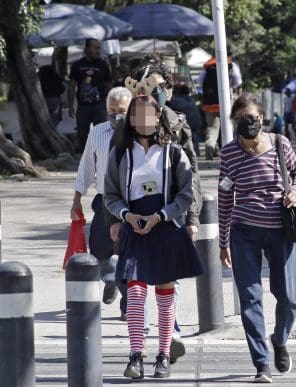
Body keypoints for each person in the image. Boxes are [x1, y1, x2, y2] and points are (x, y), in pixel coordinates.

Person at [109, 55, 202, 364]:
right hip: (134, 221)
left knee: (165, 286)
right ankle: (138, 350)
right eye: (149, 87)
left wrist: (190, 218)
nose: (156, 93)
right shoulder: (120, 137)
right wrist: (119, 217)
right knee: (135, 290)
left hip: (167, 219)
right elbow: (112, 185)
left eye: (160, 87)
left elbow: (191, 180)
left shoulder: (177, 127)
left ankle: (166, 341)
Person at [218, 95, 296, 383]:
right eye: (243, 119)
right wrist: (223, 241)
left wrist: (295, 191)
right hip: (244, 233)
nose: (249, 123)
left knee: (289, 298)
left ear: (262, 118)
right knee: (250, 299)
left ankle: (279, 339)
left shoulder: (280, 143)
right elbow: (224, 198)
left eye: (253, 118)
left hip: (282, 230)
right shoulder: (228, 154)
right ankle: (261, 363)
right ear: (234, 122)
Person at [70, 86, 132, 305]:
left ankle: (128, 302)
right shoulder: (97, 132)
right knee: (99, 248)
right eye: (112, 109)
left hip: (132, 201)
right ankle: (111, 278)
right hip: (104, 200)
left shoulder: (140, 132)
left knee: (129, 252)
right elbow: (86, 166)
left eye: (122, 109)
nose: (117, 113)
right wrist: (77, 199)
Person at [68, 38, 113, 151]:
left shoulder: (103, 65)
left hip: (100, 105)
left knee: (102, 132)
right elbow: (72, 86)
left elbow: (109, 85)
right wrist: (70, 105)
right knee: (82, 133)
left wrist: (111, 103)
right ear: (87, 49)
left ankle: (101, 154)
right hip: (83, 107)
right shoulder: (77, 65)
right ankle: (85, 156)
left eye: (99, 48)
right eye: (95, 48)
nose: (98, 51)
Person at [200, 53, 243, 160]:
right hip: (226, 102)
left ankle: (210, 146)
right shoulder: (231, 65)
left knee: (213, 127)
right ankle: (229, 151)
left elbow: (199, 81)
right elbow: (238, 81)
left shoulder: (208, 66)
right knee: (228, 126)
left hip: (210, 103)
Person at [167, 85, 204, 157]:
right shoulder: (192, 99)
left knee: (185, 136)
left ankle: (188, 154)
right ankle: (197, 153)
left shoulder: (176, 101)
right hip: (196, 122)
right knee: (194, 136)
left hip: (187, 123)